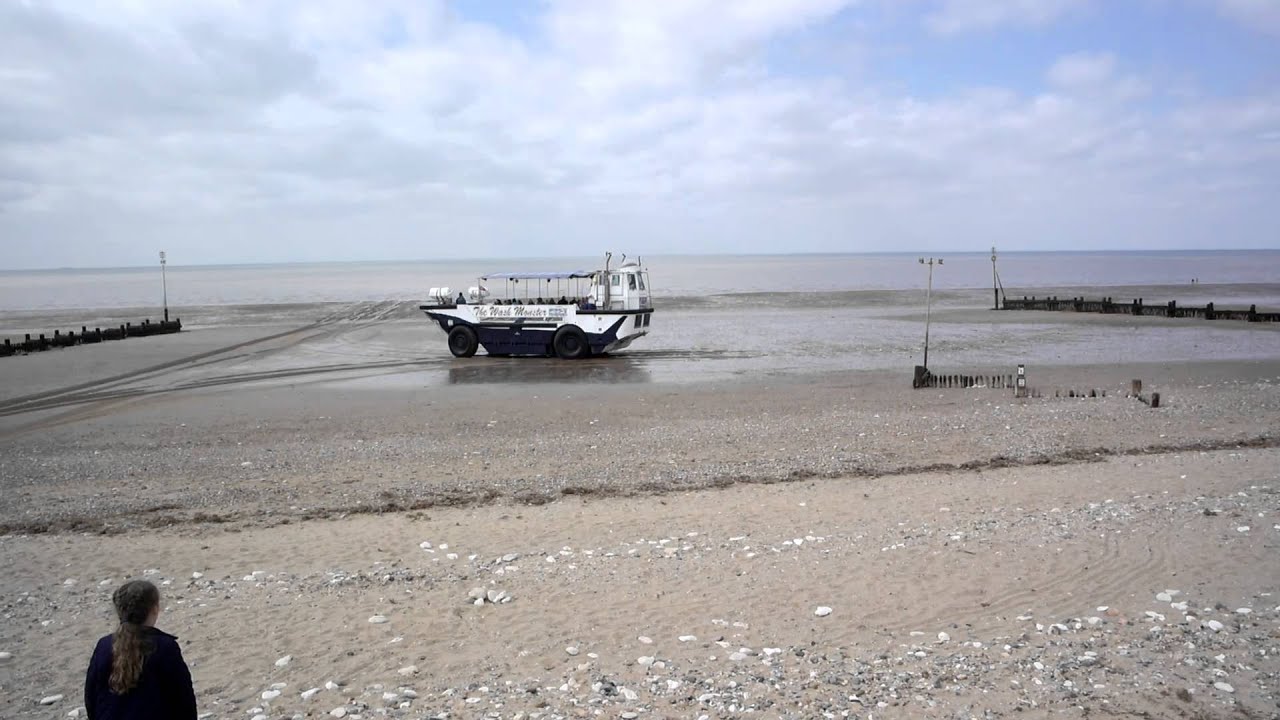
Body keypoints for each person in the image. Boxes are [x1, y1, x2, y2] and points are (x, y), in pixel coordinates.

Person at [85, 580, 197, 720]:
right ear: (154, 609)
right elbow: (183, 698)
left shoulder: (104, 645)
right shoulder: (164, 647)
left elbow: (91, 696)